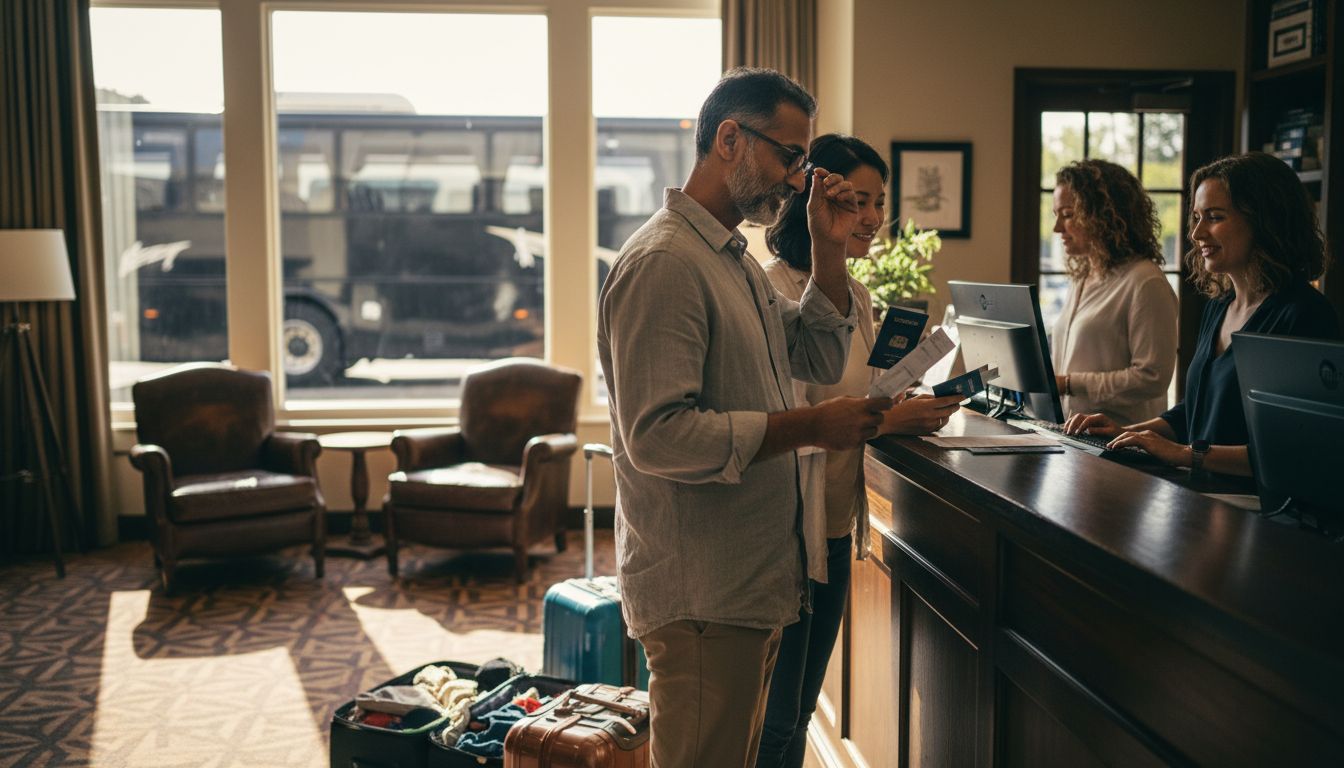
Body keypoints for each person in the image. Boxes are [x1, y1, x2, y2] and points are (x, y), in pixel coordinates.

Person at [596, 68, 895, 767]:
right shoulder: (666, 263)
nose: (796, 179)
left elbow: (818, 356)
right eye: (789, 156)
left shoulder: (731, 260)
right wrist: (811, 428)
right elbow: (659, 437)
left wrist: (827, 248)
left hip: (747, 583)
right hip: (703, 592)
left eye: (802, 162)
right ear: (729, 139)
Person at [756, 134, 963, 768]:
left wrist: (900, 404)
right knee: (775, 716)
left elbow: (863, 396)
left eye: (878, 204)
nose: (872, 218)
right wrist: (889, 420)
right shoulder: (772, 290)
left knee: (799, 708)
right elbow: (797, 412)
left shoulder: (857, 294)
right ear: (816, 202)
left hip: (837, 524)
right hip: (788, 529)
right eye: (859, 201)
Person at [1065, 152, 1340, 477]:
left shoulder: (1304, 316)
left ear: (1265, 221)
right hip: (1202, 494)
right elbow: (1193, 413)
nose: (1197, 233)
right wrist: (1125, 432)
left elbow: (1297, 451)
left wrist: (1185, 454)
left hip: (1253, 504)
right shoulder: (1219, 306)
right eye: (1196, 217)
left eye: (1214, 217)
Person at [1049, 159, 1178, 426]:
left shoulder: (1145, 281)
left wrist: (1070, 384)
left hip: (1121, 439)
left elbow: (1152, 378)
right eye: (1056, 215)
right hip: (1072, 434)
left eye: (1068, 214)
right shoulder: (1082, 277)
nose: (1057, 228)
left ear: (1103, 215)